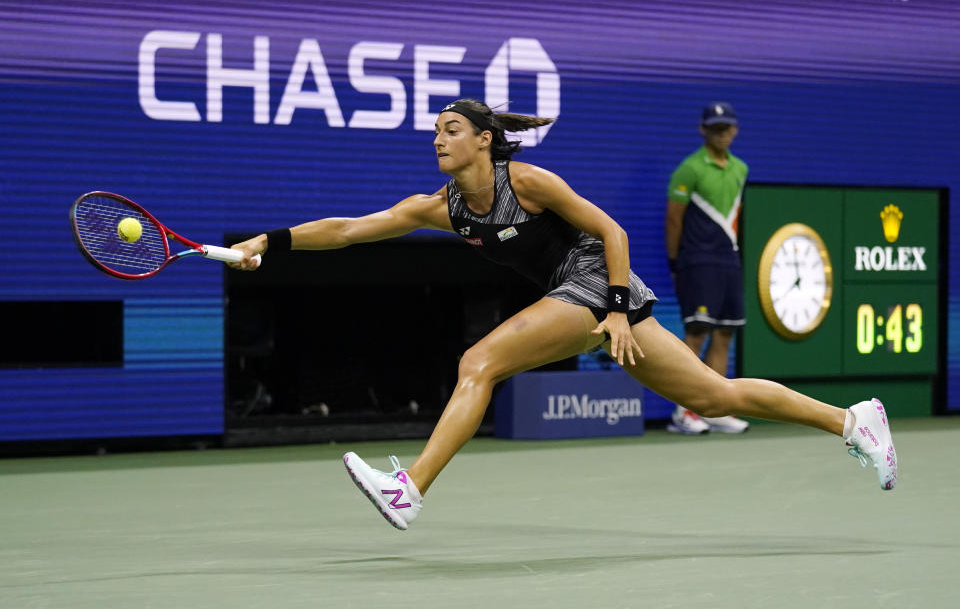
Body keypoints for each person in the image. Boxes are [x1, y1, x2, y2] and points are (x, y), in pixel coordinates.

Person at [230, 98, 898, 531]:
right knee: (714, 392)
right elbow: (349, 229)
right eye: (435, 130)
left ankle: (409, 489)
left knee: (477, 361)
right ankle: (853, 420)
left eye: (451, 129)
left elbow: (613, 233)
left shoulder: (529, 183)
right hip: (588, 298)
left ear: (485, 140)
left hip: (597, 285)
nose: (438, 138)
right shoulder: (444, 206)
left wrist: (610, 310)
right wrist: (269, 242)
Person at [664, 101, 750, 435]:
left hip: (728, 260)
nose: (721, 133)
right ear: (703, 131)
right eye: (714, 128)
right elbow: (674, 218)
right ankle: (682, 411)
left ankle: (715, 409)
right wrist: (675, 261)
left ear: (735, 130)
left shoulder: (740, 169)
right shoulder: (689, 169)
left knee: (725, 333)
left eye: (726, 127)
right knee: (697, 333)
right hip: (697, 261)